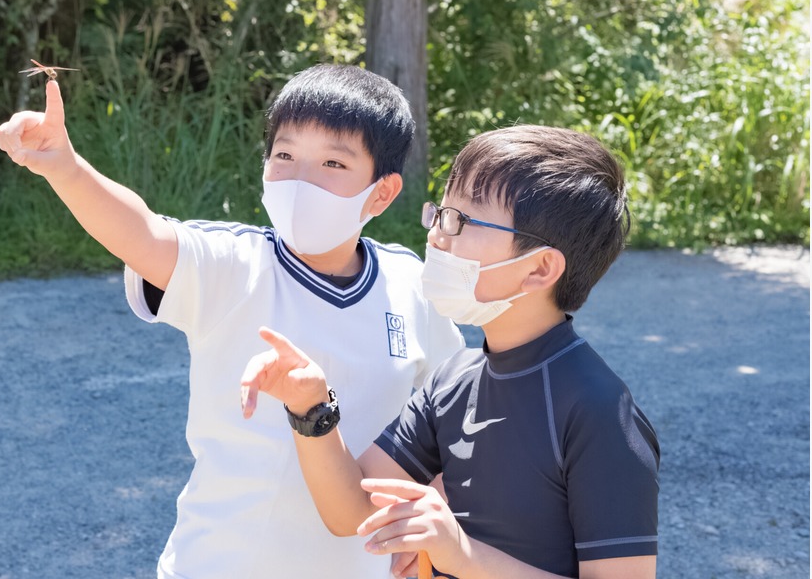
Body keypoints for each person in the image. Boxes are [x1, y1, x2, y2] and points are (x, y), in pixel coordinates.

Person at [0, 63, 464, 579]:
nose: (301, 179)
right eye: (284, 155)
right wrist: (64, 166)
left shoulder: (408, 284)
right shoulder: (233, 263)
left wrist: (430, 516)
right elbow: (144, 234)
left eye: (332, 162)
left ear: (382, 192)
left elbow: (453, 421)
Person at [240, 125, 660, 579]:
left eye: (463, 221)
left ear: (540, 267)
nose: (438, 236)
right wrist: (311, 407)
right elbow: (354, 510)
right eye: (441, 213)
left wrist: (460, 554)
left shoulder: (598, 410)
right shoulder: (454, 379)